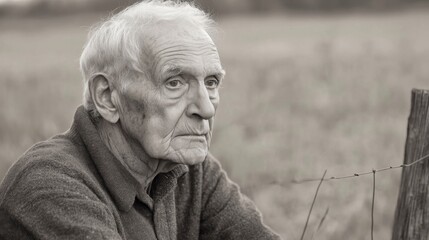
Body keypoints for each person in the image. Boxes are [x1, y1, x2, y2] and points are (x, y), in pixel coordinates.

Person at [0, 1, 281, 239]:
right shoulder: (51, 183)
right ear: (108, 97)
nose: (206, 109)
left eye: (211, 82)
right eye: (174, 83)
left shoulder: (190, 170)